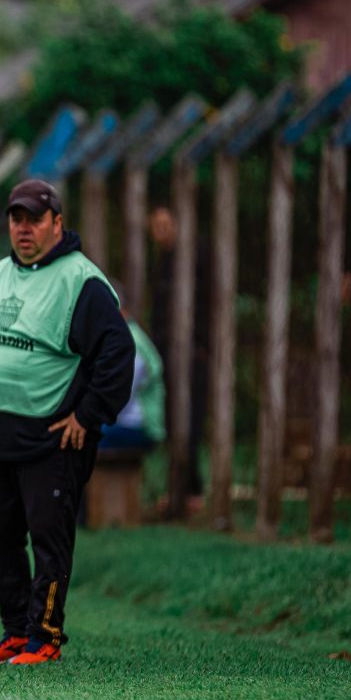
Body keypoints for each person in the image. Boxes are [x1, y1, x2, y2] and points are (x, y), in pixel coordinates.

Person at [0, 180, 133, 666]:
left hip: (50, 437)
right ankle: (16, 630)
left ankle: (45, 636)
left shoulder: (81, 281)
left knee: (49, 538)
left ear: (58, 223)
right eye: (16, 218)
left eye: (34, 219)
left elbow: (118, 352)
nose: (23, 228)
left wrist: (89, 414)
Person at [148, 205, 207, 513]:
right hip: (167, 352)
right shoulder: (162, 262)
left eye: (165, 224)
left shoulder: (196, 256)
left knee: (191, 421)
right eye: (155, 226)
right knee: (173, 420)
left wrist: (201, 345)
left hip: (193, 352)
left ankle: (193, 491)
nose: (160, 231)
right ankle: (180, 489)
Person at [100, 285, 165, 453]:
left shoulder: (131, 342)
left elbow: (121, 395)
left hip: (137, 426)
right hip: (122, 423)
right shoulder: (122, 337)